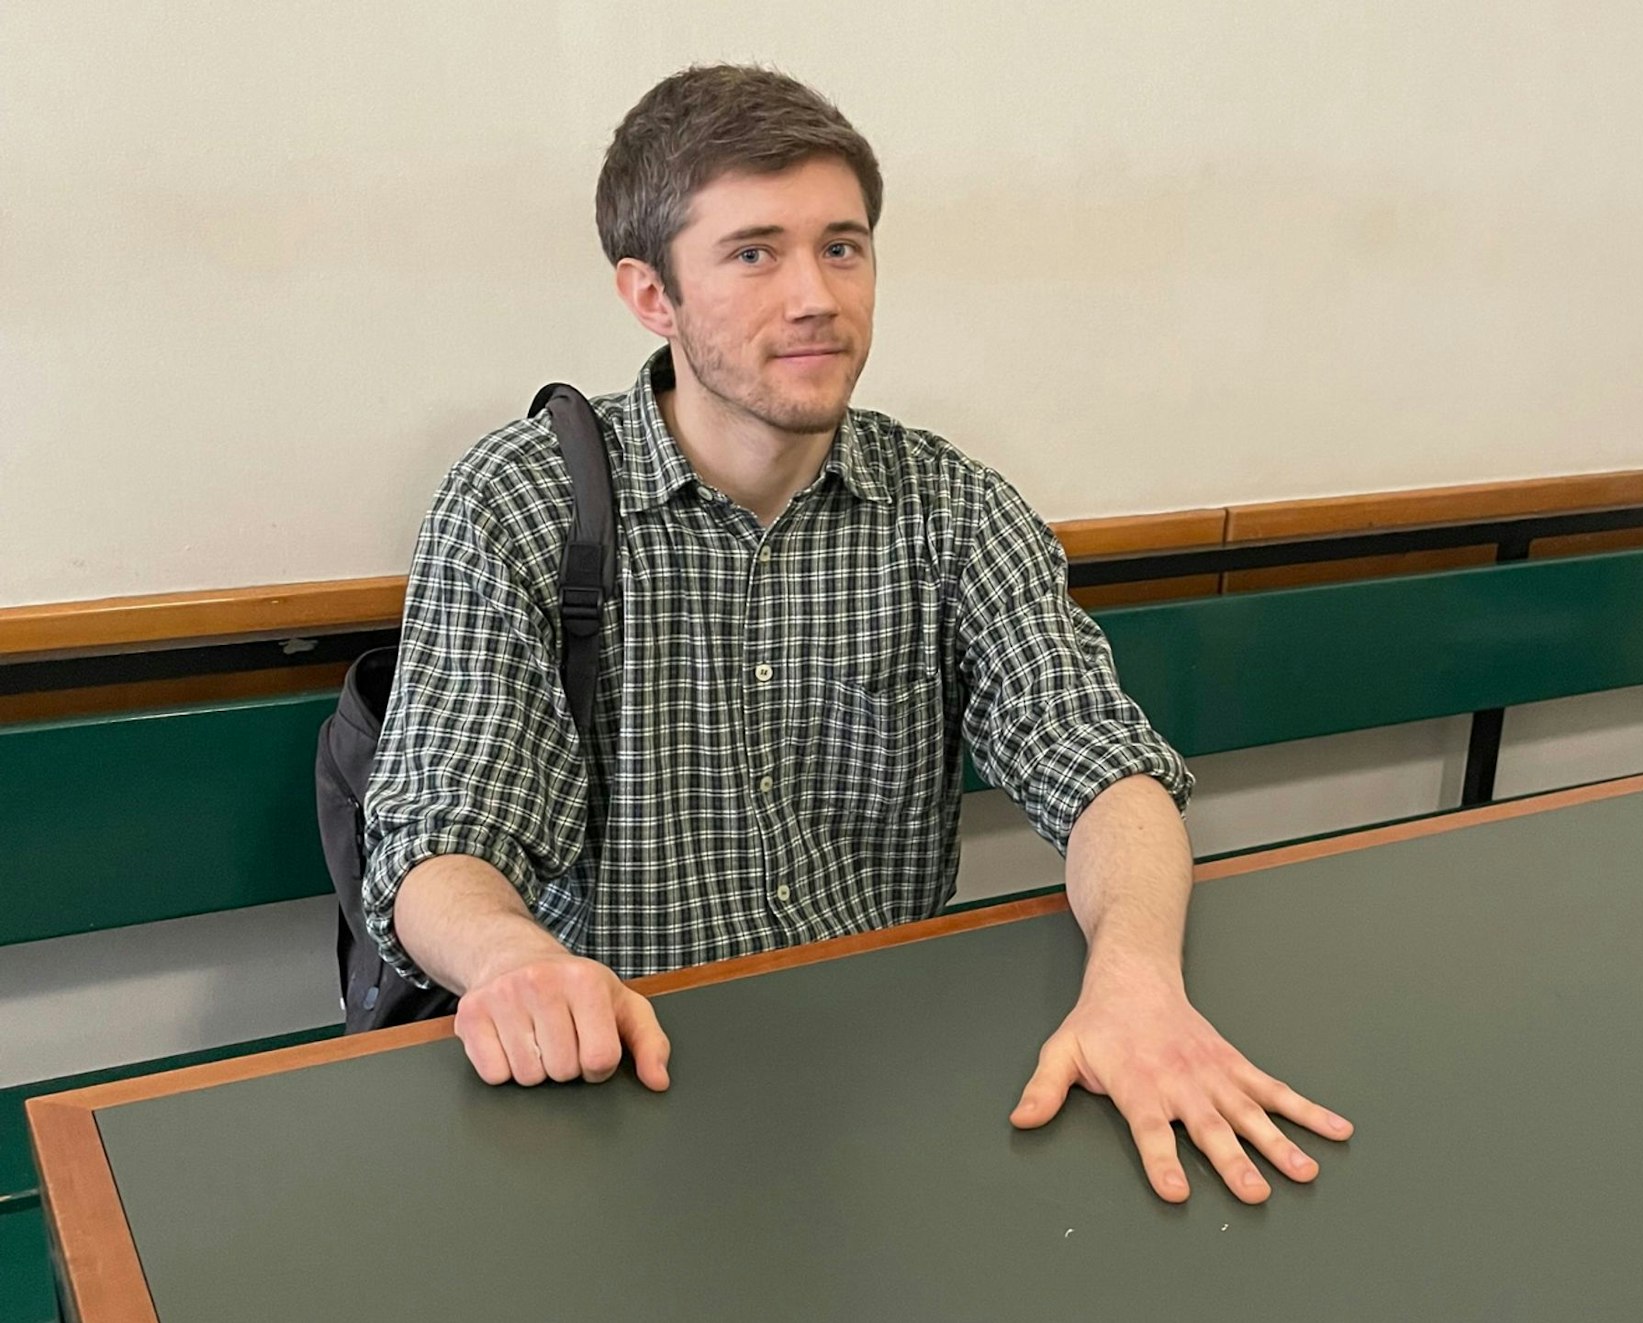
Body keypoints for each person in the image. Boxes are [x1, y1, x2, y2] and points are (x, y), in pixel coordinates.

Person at [362, 63, 1350, 1207]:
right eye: (753, 253)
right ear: (649, 294)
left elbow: (1098, 765)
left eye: (841, 247)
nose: (815, 298)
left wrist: (1136, 978)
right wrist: (517, 962)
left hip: (888, 1079)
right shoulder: (520, 501)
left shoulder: (950, 506)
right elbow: (436, 838)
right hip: (614, 1077)